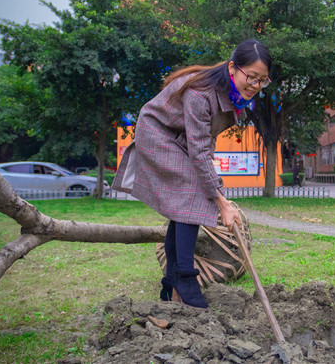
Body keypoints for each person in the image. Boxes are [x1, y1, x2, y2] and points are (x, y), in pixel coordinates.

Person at [112, 39, 272, 309]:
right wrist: (221, 201)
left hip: (181, 139)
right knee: (193, 195)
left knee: (184, 203)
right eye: (252, 77)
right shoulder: (201, 92)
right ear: (233, 68)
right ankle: (185, 278)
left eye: (262, 81)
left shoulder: (232, 95)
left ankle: (172, 285)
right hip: (158, 133)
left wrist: (216, 186)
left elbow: (204, 142)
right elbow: (198, 151)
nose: (255, 86)